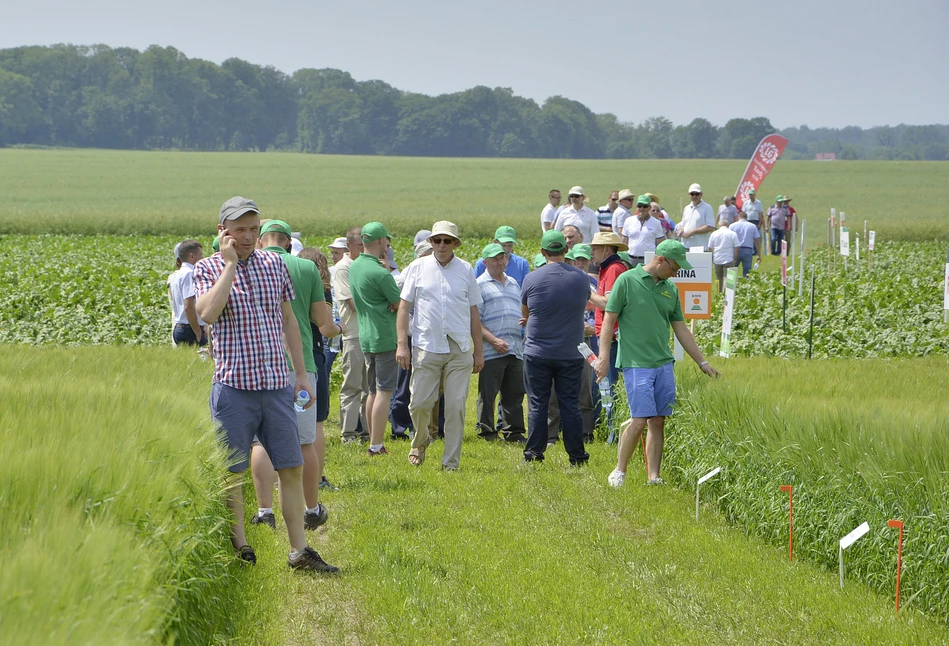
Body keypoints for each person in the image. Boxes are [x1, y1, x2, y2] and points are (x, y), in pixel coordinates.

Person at [193, 196, 336, 572]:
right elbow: (207, 313)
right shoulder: (207, 268)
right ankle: (241, 546)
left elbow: (290, 320)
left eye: (253, 229)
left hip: (276, 383)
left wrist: (301, 374)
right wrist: (228, 267)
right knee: (233, 470)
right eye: (239, 229)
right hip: (233, 387)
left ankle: (299, 552)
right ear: (222, 231)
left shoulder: (275, 265)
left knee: (289, 468)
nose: (248, 236)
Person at [594, 240, 720, 488]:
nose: (676, 273)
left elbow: (681, 329)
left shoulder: (670, 289)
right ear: (661, 259)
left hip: (663, 363)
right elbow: (609, 320)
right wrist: (604, 357)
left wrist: (702, 362)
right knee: (639, 419)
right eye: (675, 267)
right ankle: (619, 470)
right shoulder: (627, 281)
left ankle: (654, 477)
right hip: (636, 362)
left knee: (658, 420)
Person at [249, 222, 342, 534]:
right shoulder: (305, 268)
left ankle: (264, 511)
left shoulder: (252, 265)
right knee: (305, 439)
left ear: (260, 240)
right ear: (289, 243)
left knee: (261, 440)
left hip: (261, 364)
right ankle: (311, 509)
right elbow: (321, 320)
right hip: (300, 366)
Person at [398, 222, 484, 471]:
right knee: (419, 403)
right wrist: (402, 344)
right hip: (426, 345)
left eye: (448, 241)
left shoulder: (466, 270)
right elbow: (404, 308)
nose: (442, 245)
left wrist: (478, 351)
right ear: (431, 243)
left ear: (455, 243)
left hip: (459, 347)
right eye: (438, 240)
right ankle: (420, 441)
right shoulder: (417, 267)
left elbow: (474, 313)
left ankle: (451, 463)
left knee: (456, 406)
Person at [521, 230, 592, 466]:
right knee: (570, 404)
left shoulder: (531, 278)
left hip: (537, 351)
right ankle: (577, 456)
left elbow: (526, 313)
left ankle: (533, 454)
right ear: (566, 251)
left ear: (543, 252)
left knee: (538, 404)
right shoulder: (581, 278)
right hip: (570, 352)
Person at [348, 222, 402, 457]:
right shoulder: (381, 273)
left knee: (371, 390)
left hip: (366, 336)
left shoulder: (355, 266)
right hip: (385, 336)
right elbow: (400, 302)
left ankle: (372, 438)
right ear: (380, 241)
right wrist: (389, 271)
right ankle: (377, 445)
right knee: (384, 391)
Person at [475, 243, 526, 443]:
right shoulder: (479, 285)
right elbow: (474, 321)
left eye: (503, 258)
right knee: (488, 393)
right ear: (485, 262)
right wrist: (494, 340)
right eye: (495, 259)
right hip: (492, 348)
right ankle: (486, 431)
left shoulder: (513, 283)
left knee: (514, 392)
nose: (500, 262)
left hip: (515, 346)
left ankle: (513, 431)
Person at [332, 226, 370, 443]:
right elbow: (351, 303)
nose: (364, 249)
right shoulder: (343, 268)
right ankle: (348, 433)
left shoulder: (364, 265)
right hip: (354, 334)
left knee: (368, 388)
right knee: (352, 386)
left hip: (369, 334)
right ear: (349, 246)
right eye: (360, 246)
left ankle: (367, 432)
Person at [169, 239, 208, 347]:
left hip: (180, 327)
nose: (203, 258)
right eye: (201, 255)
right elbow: (188, 306)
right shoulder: (189, 274)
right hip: (189, 329)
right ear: (192, 256)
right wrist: (198, 331)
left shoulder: (177, 274)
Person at [622, 195, 666, 266]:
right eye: (640, 206)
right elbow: (624, 241)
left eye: (645, 206)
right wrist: (623, 258)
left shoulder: (656, 223)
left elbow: (660, 244)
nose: (642, 208)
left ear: (649, 207)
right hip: (630, 259)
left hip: (648, 260)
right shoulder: (629, 221)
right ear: (636, 207)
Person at [678, 183, 716, 251]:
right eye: (692, 194)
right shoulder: (687, 208)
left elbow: (710, 226)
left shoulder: (707, 208)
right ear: (689, 195)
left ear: (701, 194)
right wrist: (681, 230)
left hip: (700, 247)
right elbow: (683, 224)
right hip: (686, 245)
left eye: (697, 194)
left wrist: (693, 231)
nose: (694, 196)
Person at [708, 218, 740, 292]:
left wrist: (712, 257)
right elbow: (737, 247)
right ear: (728, 225)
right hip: (729, 258)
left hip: (717, 259)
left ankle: (718, 292)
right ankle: (726, 293)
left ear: (719, 225)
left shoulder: (714, 234)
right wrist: (735, 258)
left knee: (718, 277)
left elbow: (710, 247)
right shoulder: (732, 233)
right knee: (727, 277)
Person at [729, 210, 762, 277]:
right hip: (748, 250)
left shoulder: (732, 226)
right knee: (747, 271)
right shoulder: (752, 226)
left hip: (735, 249)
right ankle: (746, 285)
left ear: (738, 217)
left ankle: (730, 286)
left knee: (732, 270)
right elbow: (757, 241)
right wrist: (758, 254)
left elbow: (729, 239)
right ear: (747, 217)